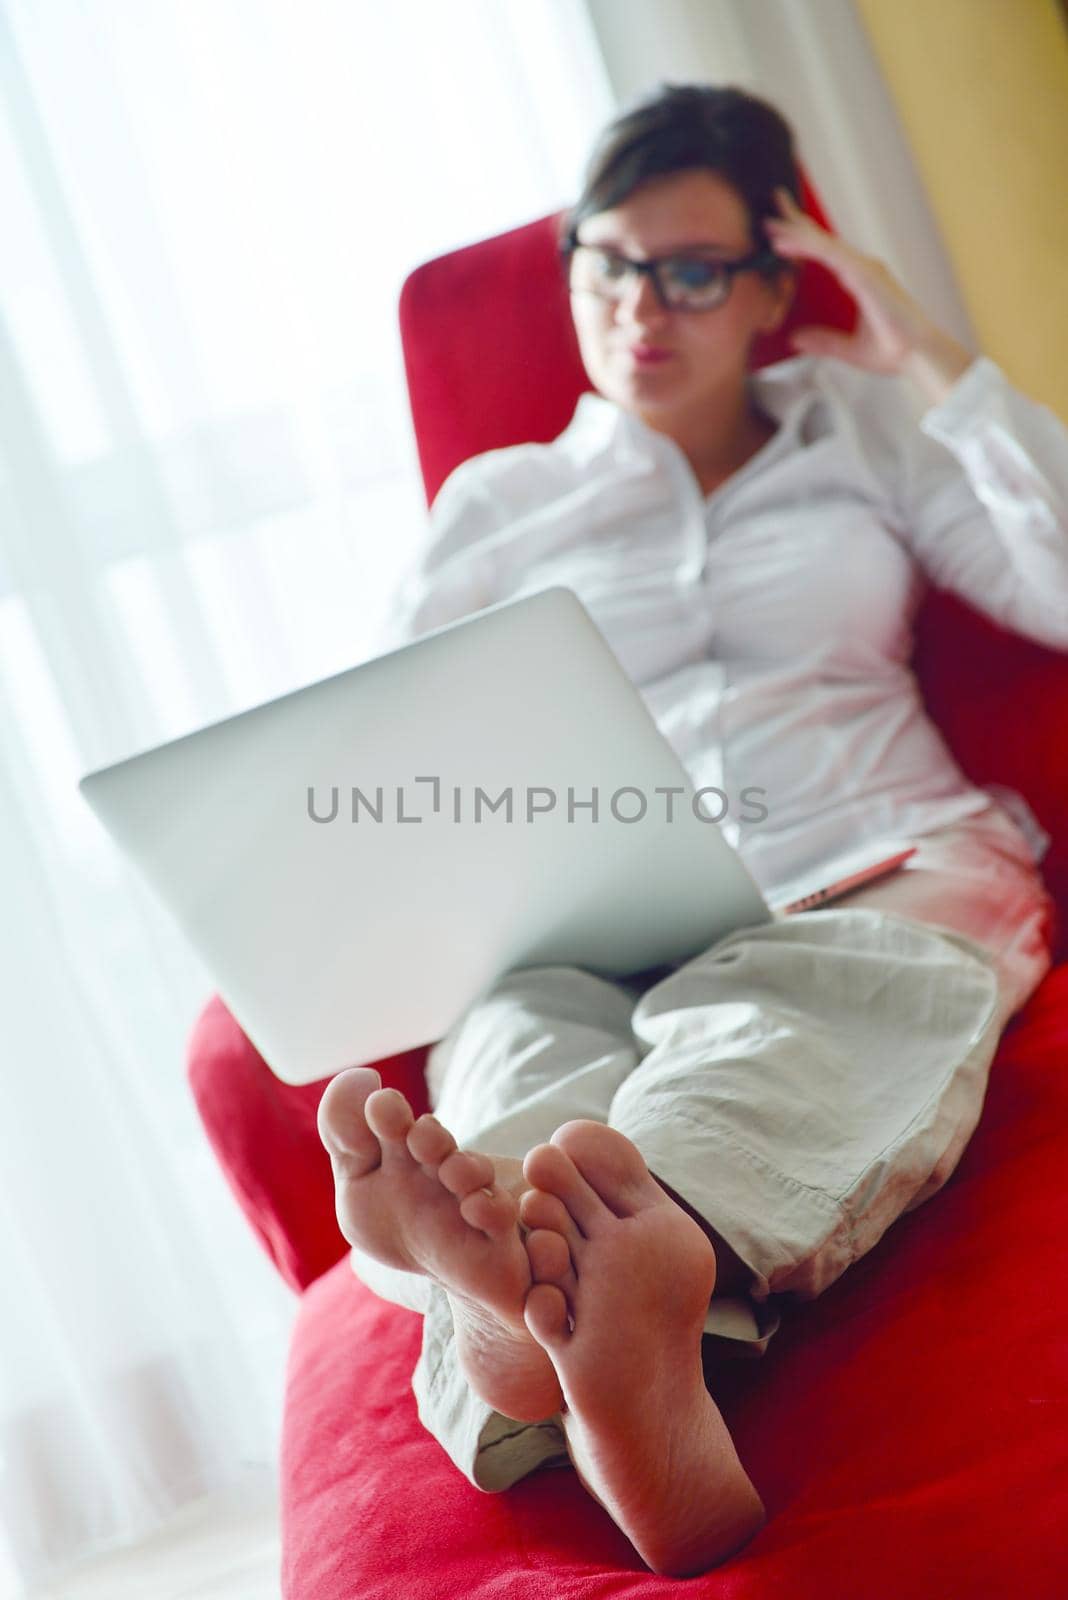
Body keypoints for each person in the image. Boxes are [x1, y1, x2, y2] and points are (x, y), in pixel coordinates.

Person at [316, 84, 1068, 1576]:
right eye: (607, 262)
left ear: (777, 283)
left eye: (693, 269)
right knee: (521, 1035)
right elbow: (382, 754)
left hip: (871, 869)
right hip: (582, 922)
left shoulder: (863, 433)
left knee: (798, 1006)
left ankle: (577, 1298)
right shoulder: (498, 509)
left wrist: (927, 359)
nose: (640, 306)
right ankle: (539, 1325)